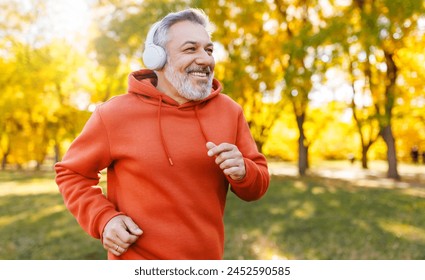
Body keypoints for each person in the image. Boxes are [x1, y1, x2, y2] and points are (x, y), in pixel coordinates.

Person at [55, 8, 270, 260]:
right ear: (157, 58)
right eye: (191, 49)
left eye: (209, 50)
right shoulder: (114, 113)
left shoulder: (229, 111)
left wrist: (243, 171)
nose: (205, 60)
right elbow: (72, 173)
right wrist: (104, 219)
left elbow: (257, 187)